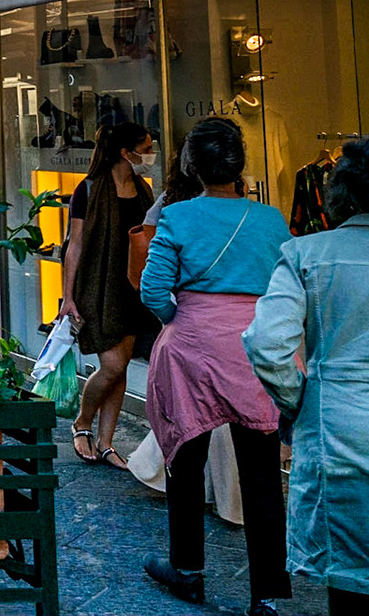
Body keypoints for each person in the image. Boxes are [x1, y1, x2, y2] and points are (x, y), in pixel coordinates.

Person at [245, 137, 369, 616]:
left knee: (348, 578)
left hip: (338, 433)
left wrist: (299, 400)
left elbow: (267, 344)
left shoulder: (306, 253)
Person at [138, 117, 291, 615]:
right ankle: (267, 593)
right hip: (254, 349)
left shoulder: (178, 217)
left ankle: (188, 572)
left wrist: (184, 321)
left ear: (191, 166)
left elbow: (153, 288)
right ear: (238, 166)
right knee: (263, 475)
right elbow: (287, 290)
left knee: (186, 464)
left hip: (192, 349)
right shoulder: (271, 221)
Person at [57, 120, 158, 469]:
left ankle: (105, 442)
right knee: (112, 365)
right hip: (97, 288)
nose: (150, 155)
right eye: (145, 149)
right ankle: (82, 422)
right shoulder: (88, 189)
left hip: (132, 288)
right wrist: (67, 297)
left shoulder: (143, 189)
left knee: (120, 367)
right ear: (125, 153)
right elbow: (75, 245)